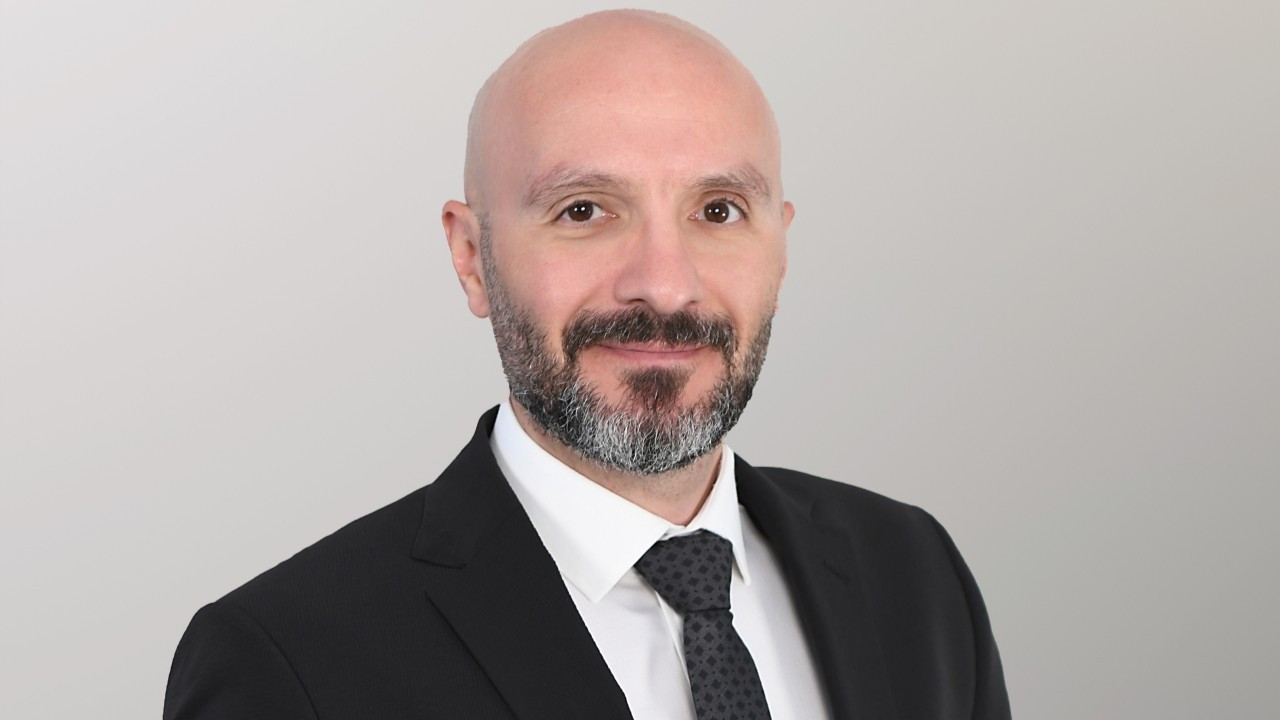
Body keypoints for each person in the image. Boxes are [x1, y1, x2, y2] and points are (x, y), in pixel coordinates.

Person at [164, 10, 1010, 720]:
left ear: (780, 249)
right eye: (584, 210)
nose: (665, 285)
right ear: (471, 258)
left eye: (719, 210)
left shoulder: (913, 573)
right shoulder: (289, 665)